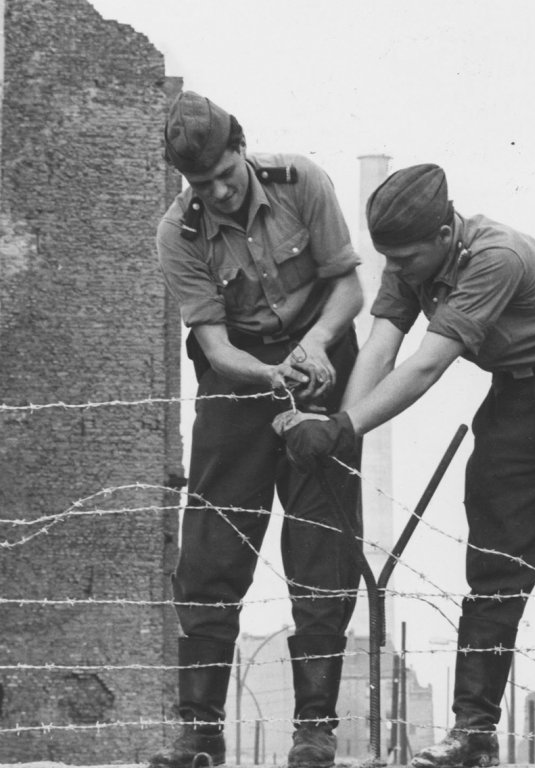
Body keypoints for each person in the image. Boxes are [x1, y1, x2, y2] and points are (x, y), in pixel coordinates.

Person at [275, 164, 535, 768]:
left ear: (443, 233)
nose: (398, 270)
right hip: (515, 391)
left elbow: (428, 365)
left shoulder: (494, 257)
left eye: (407, 259)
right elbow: (382, 345)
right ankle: (473, 734)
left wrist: (342, 428)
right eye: (390, 260)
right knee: (494, 561)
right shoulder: (410, 258)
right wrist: (341, 435)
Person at [151, 89, 365, 768]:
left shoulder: (303, 181)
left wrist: (316, 346)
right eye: (201, 184)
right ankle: (200, 734)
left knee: (322, 547)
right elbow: (215, 348)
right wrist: (272, 376)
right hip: (239, 374)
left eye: (224, 174)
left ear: (242, 149)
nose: (217, 192)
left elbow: (349, 288)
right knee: (211, 548)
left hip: (322, 357)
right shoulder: (177, 234)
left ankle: (315, 732)